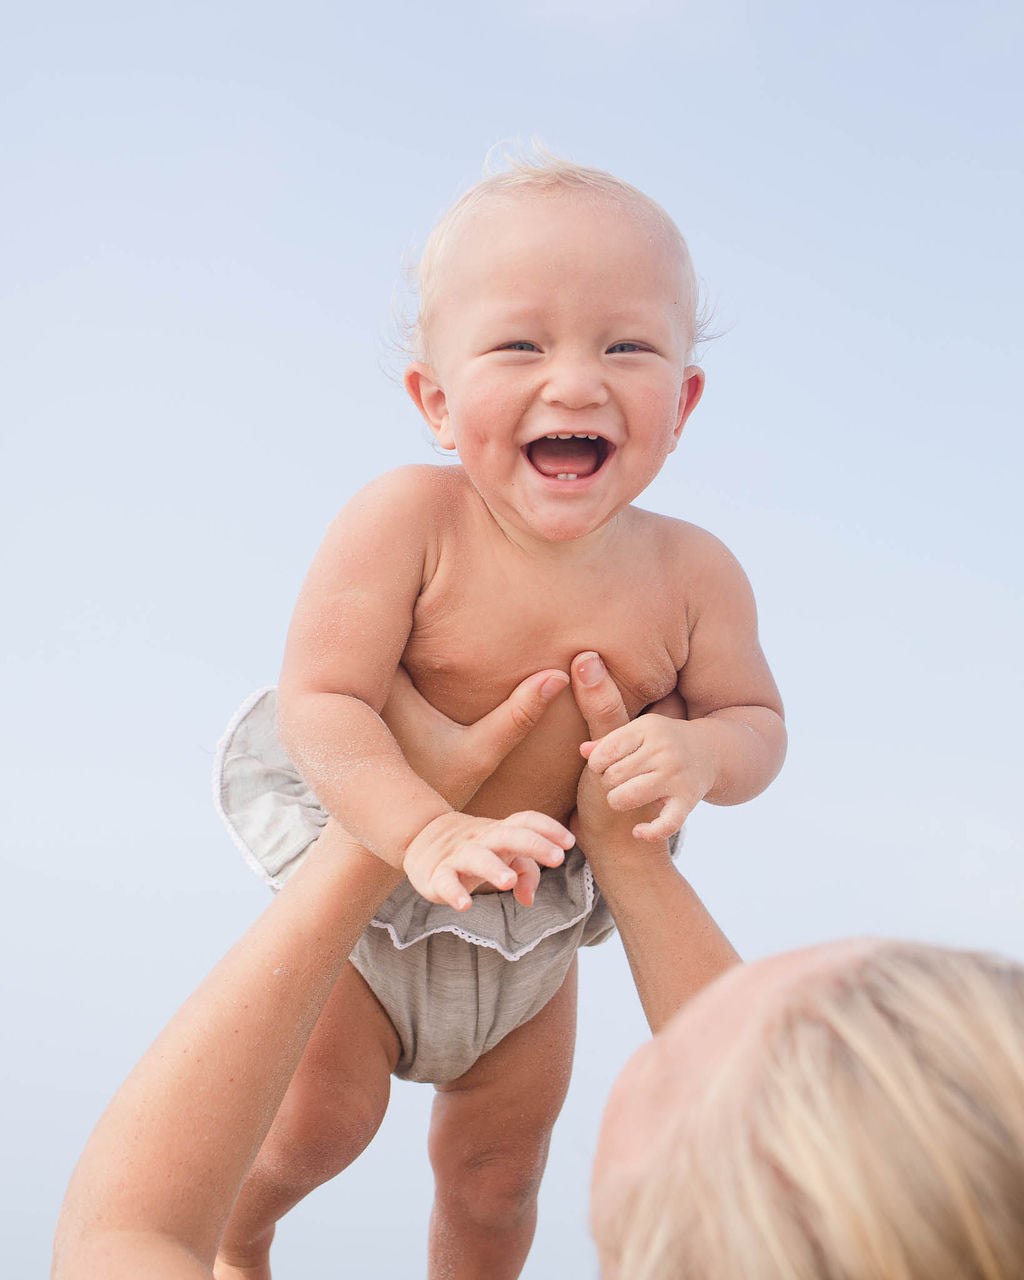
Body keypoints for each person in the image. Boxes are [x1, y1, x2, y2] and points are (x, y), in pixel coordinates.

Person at [211, 153, 786, 1278]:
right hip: (377, 910)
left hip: (535, 925)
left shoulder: (693, 573)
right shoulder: (407, 519)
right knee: (313, 1130)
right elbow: (322, 699)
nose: (574, 383)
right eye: (520, 345)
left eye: (625, 346)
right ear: (433, 397)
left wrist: (701, 750)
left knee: (499, 1177)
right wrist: (423, 829)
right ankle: (235, 1233)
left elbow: (755, 722)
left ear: (683, 401)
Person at [53, 664, 1024, 1279]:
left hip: (434, 887)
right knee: (320, 1129)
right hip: (489, 905)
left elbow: (122, 1235)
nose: (710, 1004)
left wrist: (370, 835)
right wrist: (631, 860)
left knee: (449, 1167)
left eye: (704, 1046)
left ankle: (243, 1238)